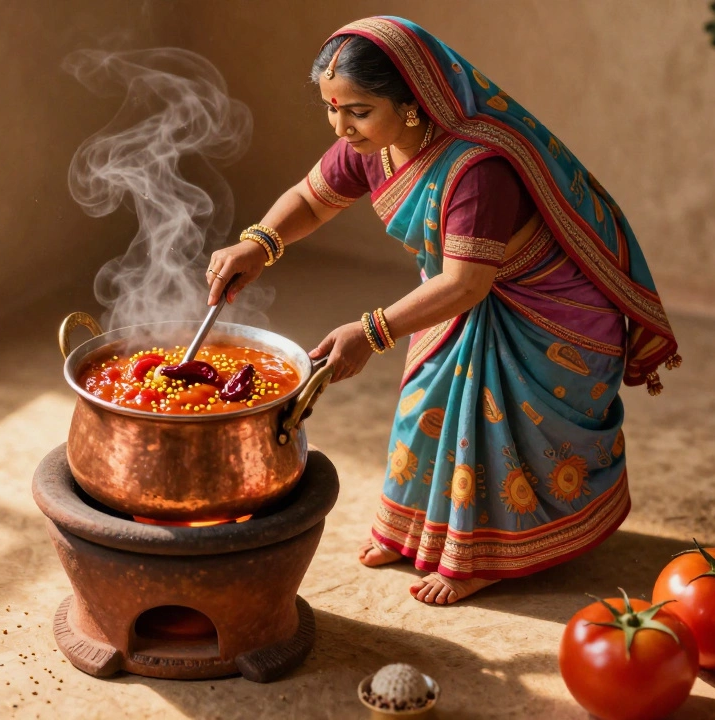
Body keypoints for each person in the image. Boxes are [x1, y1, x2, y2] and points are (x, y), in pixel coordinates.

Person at [205, 16, 680, 605]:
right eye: (331, 108)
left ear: (410, 103)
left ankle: (484, 557)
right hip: (466, 294)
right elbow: (309, 198)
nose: (340, 126)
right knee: (427, 403)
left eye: (356, 110)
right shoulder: (373, 146)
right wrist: (261, 243)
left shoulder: (476, 168)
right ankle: (409, 532)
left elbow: (463, 285)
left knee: (491, 425)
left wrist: (370, 332)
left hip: (550, 317)